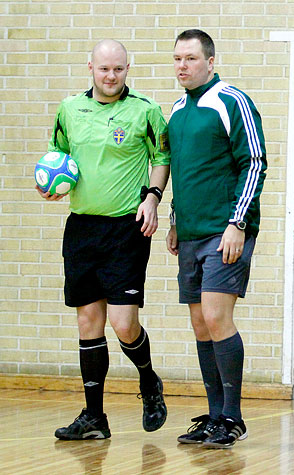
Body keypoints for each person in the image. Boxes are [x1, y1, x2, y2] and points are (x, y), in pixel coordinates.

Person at [38, 39, 169, 440]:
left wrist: (153, 198)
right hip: (81, 228)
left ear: (127, 69)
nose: (111, 77)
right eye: (104, 69)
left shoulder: (145, 111)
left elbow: (162, 159)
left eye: (119, 70)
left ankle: (149, 380)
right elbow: (57, 155)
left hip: (126, 229)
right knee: (87, 320)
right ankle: (94, 416)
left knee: (123, 323)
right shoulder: (69, 110)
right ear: (90, 67)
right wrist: (50, 185)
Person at [166, 29, 267, 448]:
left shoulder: (232, 101)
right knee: (199, 321)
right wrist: (174, 219)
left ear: (210, 61)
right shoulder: (175, 109)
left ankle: (233, 416)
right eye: (177, 59)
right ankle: (213, 416)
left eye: (191, 58)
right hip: (189, 232)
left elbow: (255, 161)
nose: (183, 66)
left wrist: (237, 223)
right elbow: (182, 173)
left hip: (226, 230)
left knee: (215, 316)